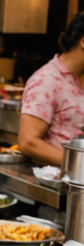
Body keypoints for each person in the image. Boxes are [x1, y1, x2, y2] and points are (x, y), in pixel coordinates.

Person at [19, 12, 84, 166]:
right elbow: (28, 142)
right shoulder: (48, 80)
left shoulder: (79, 79)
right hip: (57, 184)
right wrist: (79, 165)